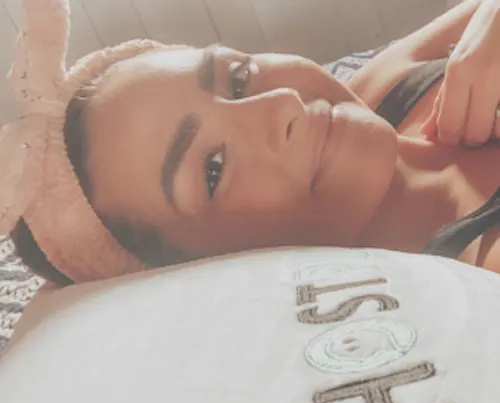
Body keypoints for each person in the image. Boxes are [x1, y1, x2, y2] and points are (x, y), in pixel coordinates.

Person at [3, 0, 500, 286]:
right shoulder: (480, 269)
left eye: (238, 79)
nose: (282, 104)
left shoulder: (378, 90)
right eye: (213, 167)